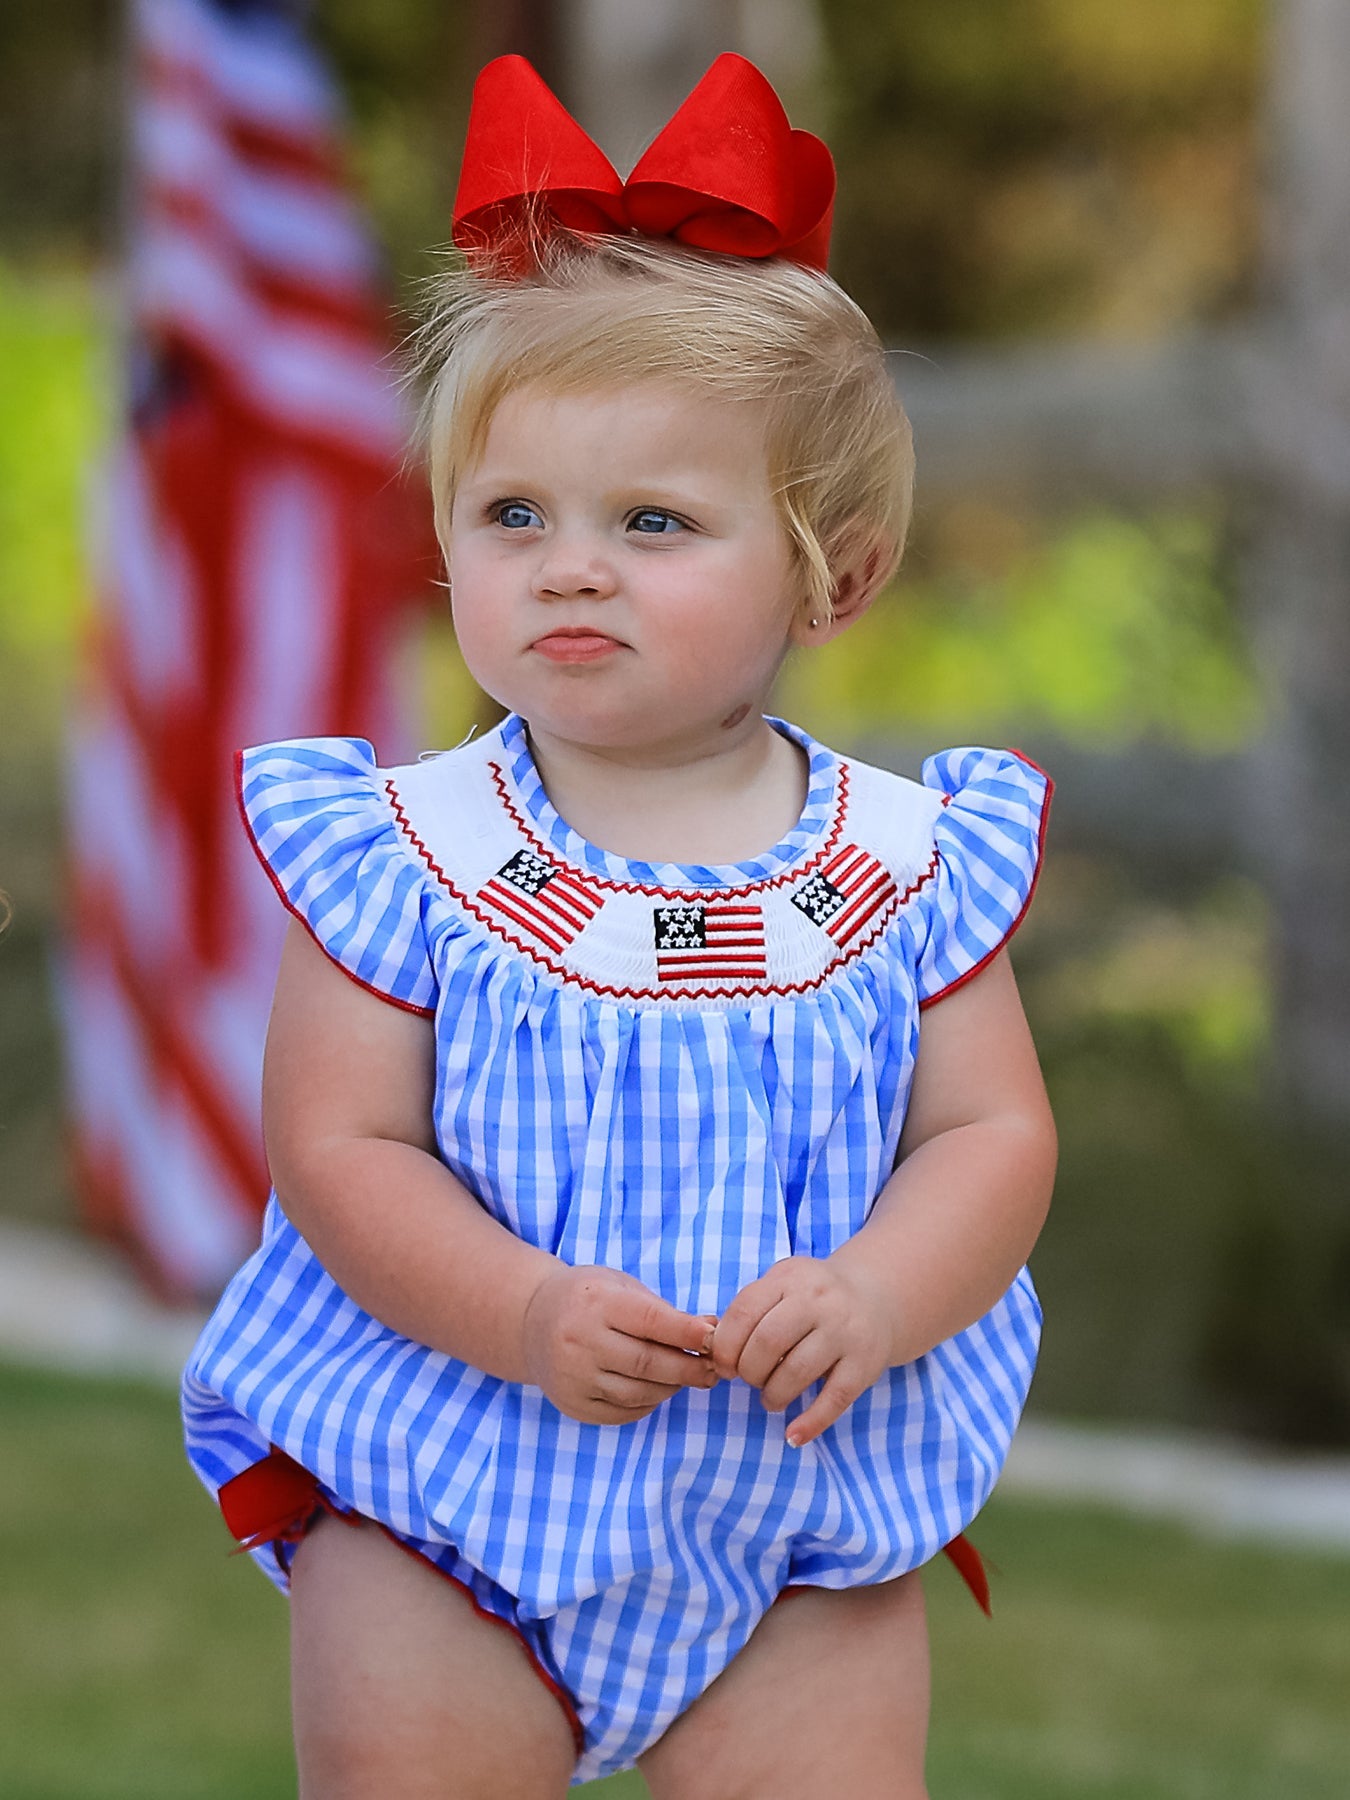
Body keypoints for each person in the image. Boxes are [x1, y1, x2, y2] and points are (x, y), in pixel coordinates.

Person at [182, 52, 1056, 1799]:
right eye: (514, 516)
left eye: (652, 523)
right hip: (456, 1485)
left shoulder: (898, 863)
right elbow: (338, 1146)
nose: (568, 567)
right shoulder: (409, 848)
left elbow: (991, 1130)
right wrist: (514, 1312)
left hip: (796, 1509)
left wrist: (884, 1289)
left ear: (834, 573)